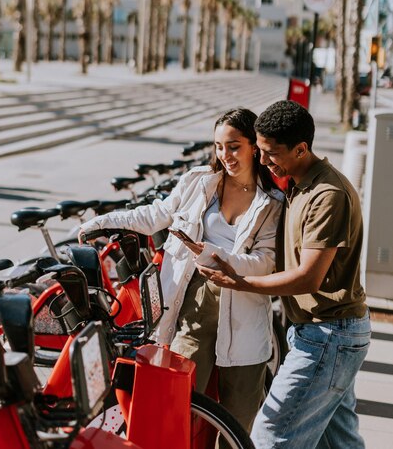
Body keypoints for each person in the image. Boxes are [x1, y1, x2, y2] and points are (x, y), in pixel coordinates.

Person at [78, 108, 283, 435]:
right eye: (218, 146)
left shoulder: (271, 201)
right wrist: (101, 223)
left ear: (254, 147)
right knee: (177, 409)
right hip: (194, 305)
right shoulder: (198, 181)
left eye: (233, 146)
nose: (224, 155)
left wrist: (214, 254)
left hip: (244, 312)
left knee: (238, 421)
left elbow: (265, 262)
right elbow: (156, 214)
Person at [198, 100, 370, 449]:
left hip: (328, 335)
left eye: (270, 153)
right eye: (259, 151)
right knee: (339, 442)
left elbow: (308, 278)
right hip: (322, 333)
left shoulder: (327, 195)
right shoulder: (297, 181)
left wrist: (241, 282)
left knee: (270, 437)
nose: (262, 161)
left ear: (301, 149)